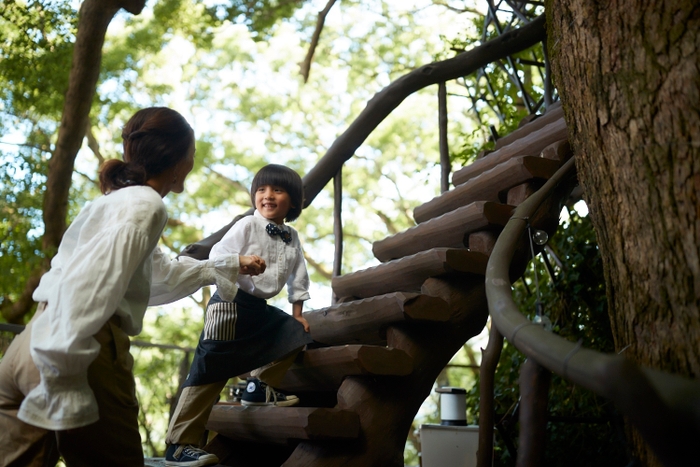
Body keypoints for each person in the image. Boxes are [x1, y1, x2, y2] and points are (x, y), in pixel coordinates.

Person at [0, 107, 265, 467]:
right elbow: (90, 285)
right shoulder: (146, 205)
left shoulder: (114, 203)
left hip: (28, 346)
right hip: (76, 350)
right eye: (192, 154)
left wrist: (229, 264)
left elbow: (160, 278)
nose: (192, 161)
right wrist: (62, 369)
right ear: (176, 160)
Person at [163, 163, 313, 467]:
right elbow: (218, 254)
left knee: (296, 333)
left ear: (295, 201)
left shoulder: (292, 237)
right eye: (261, 190)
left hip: (258, 309)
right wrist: (240, 261)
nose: (267, 195)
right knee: (211, 370)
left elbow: (299, 277)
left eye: (277, 190)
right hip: (230, 303)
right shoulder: (247, 225)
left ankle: (259, 386)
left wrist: (297, 313)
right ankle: (180, 444)